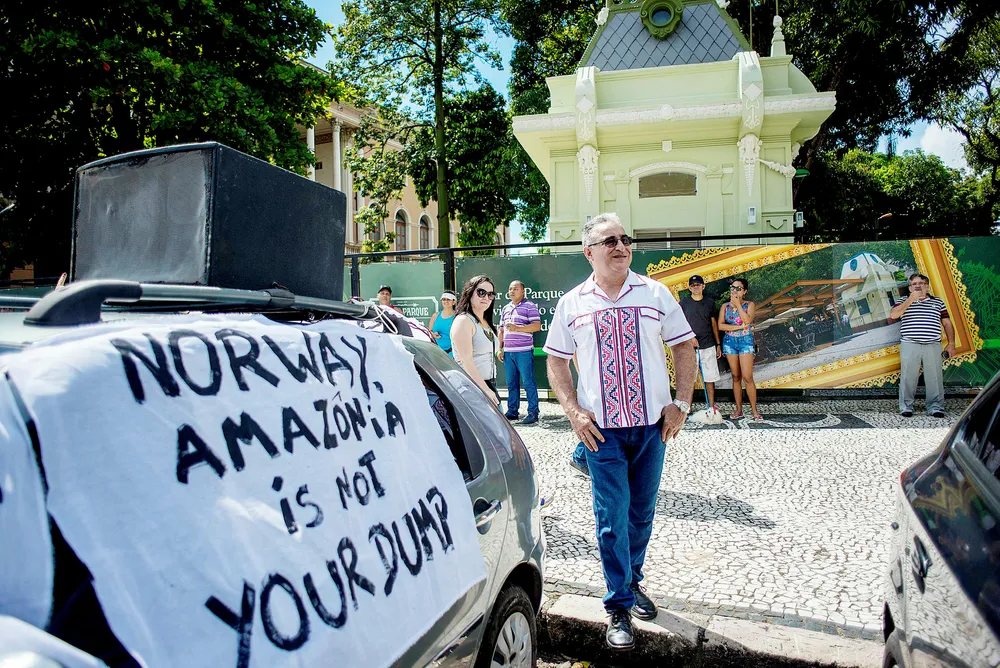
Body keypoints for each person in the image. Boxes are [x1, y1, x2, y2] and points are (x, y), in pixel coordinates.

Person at [545, 213, 696, 650]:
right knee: (612, 518)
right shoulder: (573, 303)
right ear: (588, 252)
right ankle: (618, 606)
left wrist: (682, 403)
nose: (621, 247)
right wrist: (573, 412)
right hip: (601, 433)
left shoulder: (655, 293)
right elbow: (556, 360)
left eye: (625, 239)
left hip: (652, 428)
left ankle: (632, 581)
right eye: (609, 241)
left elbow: (683, 345)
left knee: (641, 514)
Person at [890, 273, 955, 418]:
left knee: (934, 377)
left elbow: (947, 323)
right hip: (910, 343)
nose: (918, 286)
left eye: (921, 283)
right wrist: (910, 300)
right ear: (910, 288)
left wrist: (951, 343)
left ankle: (935, 407)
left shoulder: (938, 302)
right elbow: (893, 315)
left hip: (933, 344)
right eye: (914, 284)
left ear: (927, 287)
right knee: (908, 376)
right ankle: (906, 407)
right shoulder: (903, 300)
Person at [451, 275, 500, 404]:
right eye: (481, 292)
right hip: (470, 386)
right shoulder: (463, 320)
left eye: (490, 294)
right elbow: (466, 360)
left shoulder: (485, 322)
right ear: (469, 293)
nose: (486, 298)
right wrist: (485, 389)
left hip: (488, 384)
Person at [499, 280, 542, 424]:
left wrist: (517, 328)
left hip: (523, 351)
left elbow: (537, 326)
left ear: (523, 291)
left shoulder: (529, 306)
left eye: (515, 289)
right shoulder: (506, 308)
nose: (512, 291)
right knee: (511, 383)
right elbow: (501, 330)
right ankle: (512, 412)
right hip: (508, 352)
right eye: (510, 289)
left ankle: (533, 413)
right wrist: (500, 348)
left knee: (528, 382)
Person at [718, 278, 761, 420]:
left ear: (745, 291)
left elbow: (747, 321)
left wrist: (738, 304)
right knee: (736, 376)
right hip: (729, 342)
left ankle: (754, 411)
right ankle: (739, 410)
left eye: (738, 288)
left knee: (747, 377)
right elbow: (721, 326)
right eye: (733, 288)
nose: (735, 291)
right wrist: (737, 327)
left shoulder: (749, 305)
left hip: (745, 341)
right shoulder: (725, 306)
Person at [679, 274, 721, 412]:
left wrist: (718, 344)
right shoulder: (683, 303)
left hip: (708, 344)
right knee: (689, 379)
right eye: (692, 285)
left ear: (703, 286)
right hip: (689, 347)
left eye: (698, 284)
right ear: (689, 288)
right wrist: (690, 337)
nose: (695, 287)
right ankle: (688, 407)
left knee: (710, 378)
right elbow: (679, 323)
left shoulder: (710, 302)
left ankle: (711, 406)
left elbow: (713, 323)